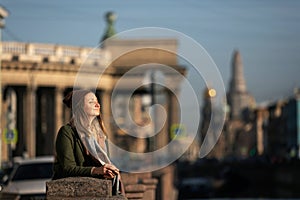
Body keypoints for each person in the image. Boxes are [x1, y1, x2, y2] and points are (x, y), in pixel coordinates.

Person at [53, 89, 124, 195]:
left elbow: (103, 163)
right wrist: (97, 170)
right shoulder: (67, 132)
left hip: (98, 190)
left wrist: (109, 171)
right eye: (91, 102)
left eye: (97, 101)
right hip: (73, 193)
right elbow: (67, 168)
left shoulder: (101, 135)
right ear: (80, 107)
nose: (97, 104)